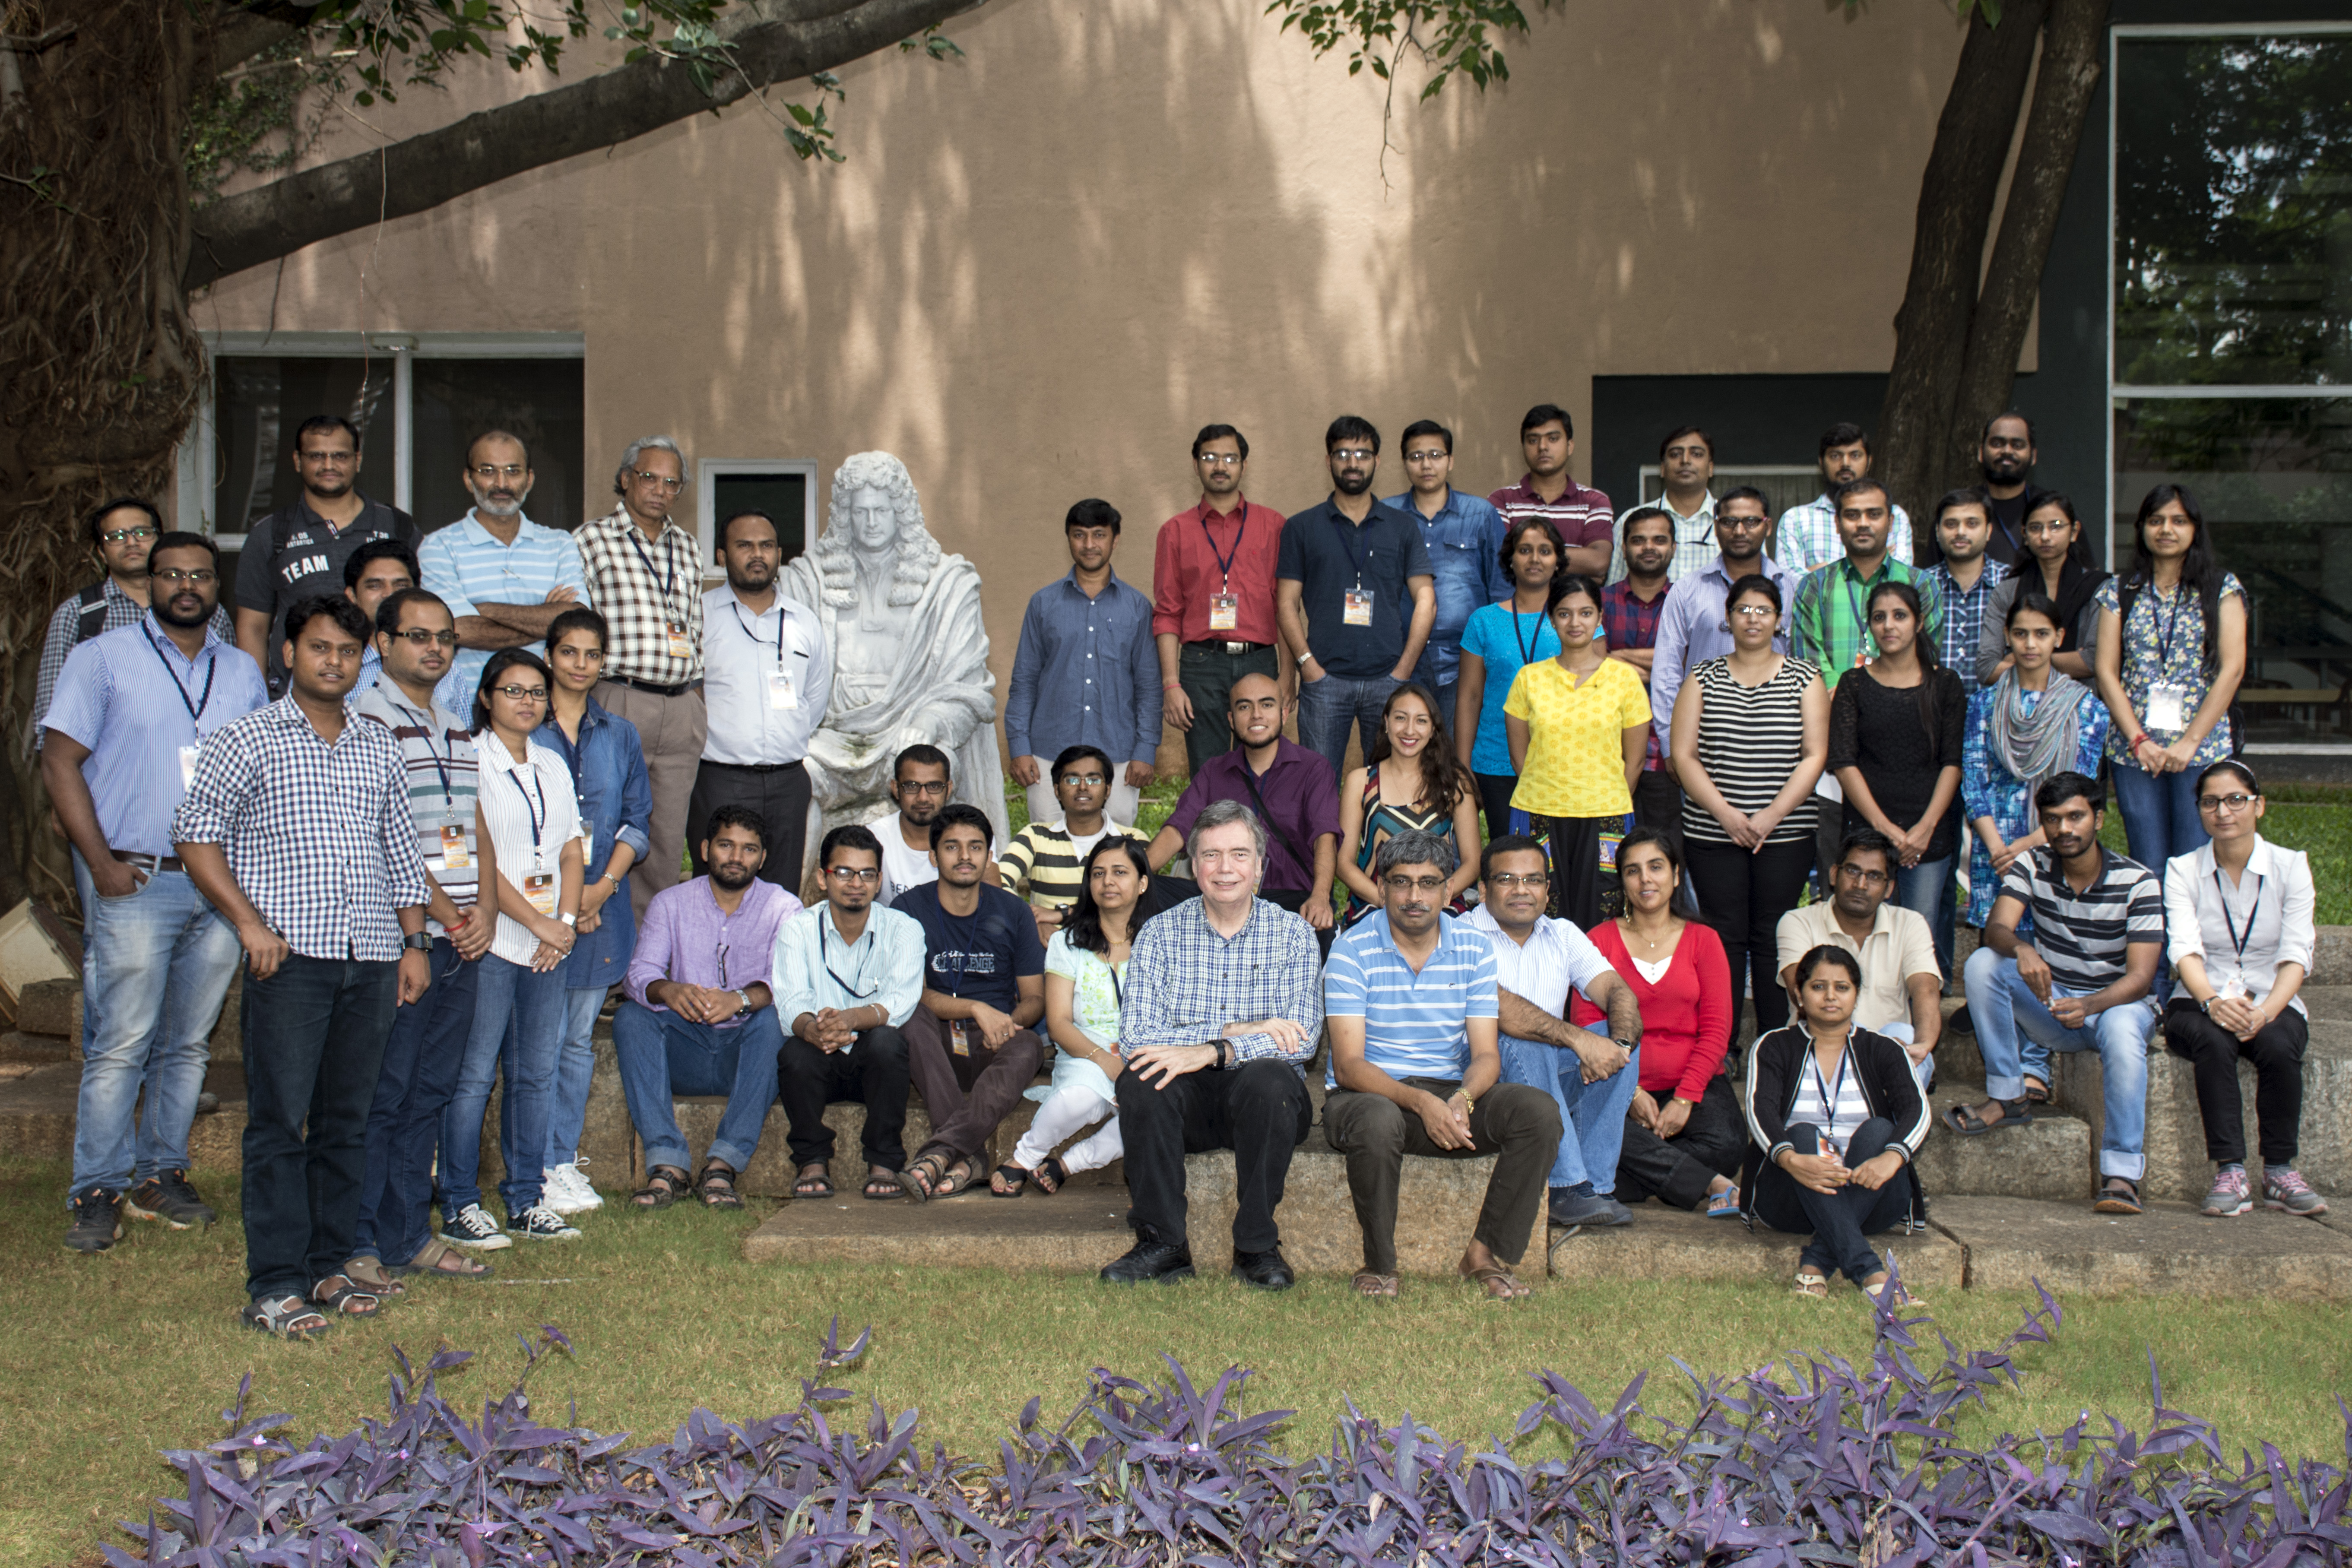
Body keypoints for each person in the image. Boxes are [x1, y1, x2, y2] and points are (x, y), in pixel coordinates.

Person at [171, 596, 433, 1339]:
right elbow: (195, 833)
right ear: (289, 654)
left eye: (348, 652)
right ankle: (275, 1284)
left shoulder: (378, 744)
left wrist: (414, 941)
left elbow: (400, 849)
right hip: (289, 959)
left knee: (346, 1123)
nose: (334, 662)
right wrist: (248, 923)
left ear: (363, 660)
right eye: (320, 648)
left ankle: (327, 1265)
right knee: (281, 1124)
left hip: (371, 957)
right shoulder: (247, 737)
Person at [43, 532, 266, 1252]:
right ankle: (97, 1188)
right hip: (137, 875)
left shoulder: (240, 669)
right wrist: (100, 862)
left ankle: (161, 1173)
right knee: (122, 1043)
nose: (187, 586)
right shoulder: (102, 657)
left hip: (221, 885)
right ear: (152, 581)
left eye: (201, 575)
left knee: (187, 1044)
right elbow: (60, 760)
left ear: (216, 586)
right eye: (173, 574)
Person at [1323, 830, 1561, 1300]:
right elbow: (1348, 1066)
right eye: (1402, 882)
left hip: (1448, 1092)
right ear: (1382, 888)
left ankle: (1483, 1254)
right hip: (1366, 1097)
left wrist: (1462, 1098)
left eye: (1428, 883)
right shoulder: (1351, 949)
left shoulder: (1473, 948)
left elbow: (1486, 1055)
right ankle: (1380, 1264)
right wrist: (1420, 1102)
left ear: (1449, 890)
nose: (1415, 896)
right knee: (1378, 1118)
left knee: (1538, 1112)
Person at [1102, 801, 1322, 1289]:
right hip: (1187, 1107)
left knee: (1271, 1078)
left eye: (1239, 854)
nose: (1225, 868)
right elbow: (1136, 1037)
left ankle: (1257, 1246)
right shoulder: (1159, 933)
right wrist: (1239, 1029)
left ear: (1260, 866)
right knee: (1141, 1078)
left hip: (1265, 1104)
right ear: (1192, 866)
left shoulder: (1294, 934)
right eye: (1211, 855)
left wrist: (1213, 1051)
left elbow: (1301, 1039)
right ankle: (1163, 1245)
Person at [349, 586, 498, 1285]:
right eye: (418, 635)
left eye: (444, 637)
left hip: (462, 936)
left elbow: (472, 823)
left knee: (431, 1090)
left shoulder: (454, 725)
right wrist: (449, 915)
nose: (434, 648)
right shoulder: (366, 720)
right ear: (383, 643)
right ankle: (359, 1239)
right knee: (384, 1093)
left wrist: (484, 909)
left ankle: (409, 1233)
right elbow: (387, 838)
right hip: (404, 938)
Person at [1946, 772, 2162, 1216]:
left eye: (2075, 816)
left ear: (2098, 819)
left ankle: (2122, 1174)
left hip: (2116, 1007)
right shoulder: (2033, 864)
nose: (2064, 828)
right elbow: (1998, 928)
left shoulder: (2138, 881)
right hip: (2056, 1006)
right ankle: (2009, 1095)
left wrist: (2090, 1005)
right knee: (1984, 963)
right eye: (2052, 819)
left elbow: (2141, 978)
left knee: (2123, 1028)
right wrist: (2022, 948)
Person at [780, 450, 1008, 852]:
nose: (871, 522)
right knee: (796, 774)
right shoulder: (809, 580)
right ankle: (799, 888)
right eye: (860, 511)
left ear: (901, 511)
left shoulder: (945, 583)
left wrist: (930, 719)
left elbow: (968, 686)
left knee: (927, 770)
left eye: (881, 510)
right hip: (831, 735)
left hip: (911, 731)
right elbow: (783, 671)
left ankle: (930, 884)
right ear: (844, 515)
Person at [436, 648, 586, 1248]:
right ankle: (459, 1202)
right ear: (485, 697)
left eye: (537, 691)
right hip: (494, 941)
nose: (527, 701)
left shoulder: (552, 762)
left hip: (550, 946)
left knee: (535, 1075)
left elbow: (571, 847)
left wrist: (564, 922)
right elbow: (478, 860)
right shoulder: (469, 760)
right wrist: (538, 923)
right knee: (474, 1076)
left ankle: (527, 1198)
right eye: (513, 690)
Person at [2162, 761, 2328, 1220]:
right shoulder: (2182, 870)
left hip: (2272, 996)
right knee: (2212, 1041)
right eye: (2210, 802)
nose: (2223, 812)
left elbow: (2296, 953)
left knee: (2278, 1043)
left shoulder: (2290, 866)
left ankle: (2279, 1171)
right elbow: (2184, 949)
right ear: (2199, 809)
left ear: (2259, 806)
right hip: (2198, 997)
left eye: (2236, 799)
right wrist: (2213, 1002)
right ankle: (2230, 1172)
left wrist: (2266, 1011)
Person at [613, 807, 799, 1210]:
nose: (737, 857)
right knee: (631, 1018)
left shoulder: (784, 907)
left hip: (747, 1056)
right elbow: (640, 973)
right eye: (726, 845)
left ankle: (722, 1165)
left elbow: (789, 981)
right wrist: (668, 990)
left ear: (763, 858)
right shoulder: (671, 902)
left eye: (749, 849)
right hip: (687, 1047)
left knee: (775, 1021)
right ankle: (668, 1165)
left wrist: (739, 999)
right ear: (704, 849)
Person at [1671, 574, 1827, 1037]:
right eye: (1743, 609)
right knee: (1724, 935)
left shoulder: (1805, 677)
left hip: (1786, 832)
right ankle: (1723, 1044)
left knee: (1773, 934)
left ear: (1779, 620)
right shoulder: (1702, 677)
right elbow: (1683, 755)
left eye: (1763, 610)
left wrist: (1769, 816)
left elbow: (1815, 754)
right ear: (1728, 618)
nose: (1752, 618)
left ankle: (1773, 1042)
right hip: (1712, 831)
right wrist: (1727, 815)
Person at [1468, 833, 1647, 1233]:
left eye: (1533, 879)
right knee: (1522, 1040)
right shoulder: (1459, 935)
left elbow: (1617, 991)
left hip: (1543, 1074)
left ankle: (1594, 1187)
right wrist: (1578, 1040)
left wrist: (1615, 1048)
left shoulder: (1563, 934)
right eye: (1507, 879)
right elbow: (1500, 1009)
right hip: (1477, 1081)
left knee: (1620, 1039)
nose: (1521, 889)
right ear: (1483, 889)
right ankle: (1564, 1186)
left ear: (1547, 890)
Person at [535, 607, 651, 1214]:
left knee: (577, 1041)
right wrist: (565, 900)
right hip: (533, 912)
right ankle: (531, 1164)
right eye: (569, 651)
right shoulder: (524, 727)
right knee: (537, 1040)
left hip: (599, 910)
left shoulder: (620, 734)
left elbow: (637, 821)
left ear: (604, 663)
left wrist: (599, 889)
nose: (580, 664)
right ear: (549, 656)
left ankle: (561, 1160)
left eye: (592, 654)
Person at [1740, 946, 1930, 1305]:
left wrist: (1891, 1158)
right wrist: (1791, 1160)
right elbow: (1759, 1110)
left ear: (1857, 994)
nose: (1830, 996)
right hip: (1792, 1195)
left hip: (1871, 1195)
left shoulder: (1885, 1049)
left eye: (1842, 987)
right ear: (1799, 993)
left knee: (1879, 1131)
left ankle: (1817, 1261)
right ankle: (1872, 1272)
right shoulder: (1774, 1045)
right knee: (1801, 1135)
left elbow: (1917, 1110)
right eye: (1818, 986)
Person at [1570, 830, 1743, 1217]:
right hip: (1616, 1082)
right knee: (1589, 1129)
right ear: (1623, 881)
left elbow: (1717, 1030)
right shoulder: (1599, 941)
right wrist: (1630, 1095)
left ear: (1676, 875)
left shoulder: (1704, 940)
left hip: (1692, 1084)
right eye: (1633, 870)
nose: (1645, 879)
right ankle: (1704, 1181)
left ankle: (1638, 1176)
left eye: (1656, 867)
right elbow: (1588, 1025)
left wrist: (1684, 1099)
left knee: (1728, 1144)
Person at [577, 435, 704, 921]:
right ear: (626, 478)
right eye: (649, 477)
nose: (660, 490)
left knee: (666, 838)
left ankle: (646, 950)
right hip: (618, 695)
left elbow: (694, 630)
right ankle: (595, 936)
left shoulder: (687, 547)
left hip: (681, 705)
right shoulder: (591, 539)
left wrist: (697, 704)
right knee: (604, 820)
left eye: (672, 483)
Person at [1795, 478, 1944, 888]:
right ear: (1838, 524)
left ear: (1891, 521)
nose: (1863, 523)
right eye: (1852, 515)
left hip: (1902, 742)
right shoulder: (1814, 586)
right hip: (1833, 738)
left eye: (1874, 514)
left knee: (1907, 874)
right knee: (1840, 864)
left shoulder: (1922, 585)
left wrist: (1876, 699)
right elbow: (1808, 660)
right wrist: (1846, 699)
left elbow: (1927, 657)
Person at [894, 805, 1048, 1201]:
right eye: (952, 847)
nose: (965, 856)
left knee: (1030, 1044)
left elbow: (1035, 998)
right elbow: (910, 993)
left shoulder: (1014, 911)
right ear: (933, 857)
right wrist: (975, 1008)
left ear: (989, 856)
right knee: (910, 1018)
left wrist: (1008, 1023)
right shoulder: (908, 910)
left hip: (995, 1042)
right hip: (935, 1044)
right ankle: (969, 1157)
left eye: (976, 847)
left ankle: (941, 1153)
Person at [2095, 484, 2247, 873]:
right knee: (2147, 860)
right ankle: (2151, 918)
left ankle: (2187, 921)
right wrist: (2139, 741)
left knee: (2194, 862)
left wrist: (2190, 742)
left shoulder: (2222, 588)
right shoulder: (2119, 590)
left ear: (2195, 528)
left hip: (2201, 747)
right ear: (2142, 528)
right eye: (2156, 520)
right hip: (2134, 750)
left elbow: (2232, 669)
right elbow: (2106, 672)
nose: (2166, 529)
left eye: (2179, 521)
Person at [1277, 415, 1437, 779]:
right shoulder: (1301, 527)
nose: (1353, 463)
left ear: (1377, 461)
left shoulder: (1402, 526)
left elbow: (1426, 600)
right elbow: (1286, 603)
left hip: (1388, 679)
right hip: (1323, 680)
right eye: (1343, 454)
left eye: (1363, 454)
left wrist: (1403, 671)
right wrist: (1307, 666)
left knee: (1389, 783)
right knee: (1318, 785)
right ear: (1328, 460)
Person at [775, 824, 923, 1201]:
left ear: (879, 881)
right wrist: (813, 1029)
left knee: (888, 1042)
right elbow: (791, 1001)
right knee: (794, 1052)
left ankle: (884, 1161)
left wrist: (852, 1019)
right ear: (822, 878)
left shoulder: (904, 929)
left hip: (872, 1064)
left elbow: (902, 999)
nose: (856, 883)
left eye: (867, 874)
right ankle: (812, 1161)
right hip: (819, 1056)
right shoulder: (797, 929)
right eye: (844, 872)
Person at [1826, 580, 1966, 975]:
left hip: (1928, 834)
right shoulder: (1854, 684)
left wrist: (1925, 828)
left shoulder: (1946, 684)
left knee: (1919, 937)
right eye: (1879, 617)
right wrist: (1884, 828)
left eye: (1900, 616)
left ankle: (1918, 1015)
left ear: (1919, 623)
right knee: (1864, 936)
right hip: (1867, 832)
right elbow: (1844, 762)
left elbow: (1952, 763)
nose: (1889, 625)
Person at [994, 836, 1147, 1197]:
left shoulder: (1161, 940)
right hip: (1085, 1052)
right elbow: (1059, 1023)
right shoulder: (1068, 943)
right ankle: (1026, 1156)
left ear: (1142, 883)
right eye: (1099, 873)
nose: (1108, 882)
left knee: (1155, 1116)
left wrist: (1133, 1063)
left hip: (1145, 1053)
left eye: (1120, 872)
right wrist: (1107, 1063)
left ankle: (1068, 1164)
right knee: (1079, 1098)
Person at [1502, 574, 1652, 927]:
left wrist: (1601, 796)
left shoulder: (1624, 679)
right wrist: (1551, 789)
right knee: (1540, 911)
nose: (1575, 622)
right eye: (1565, 613)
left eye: (1586, 613)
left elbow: (1635, 761)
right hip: (1540, 811)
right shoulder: (1529, 679)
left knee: (1604, 912)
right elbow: (1520, 759)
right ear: (1552, 619)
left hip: (1606, 813)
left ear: (1600, 617)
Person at [693, 508, 832, 889]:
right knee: (717, 889)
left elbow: (814, 700)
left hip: (789, 782)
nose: (758, 554)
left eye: (767, 546)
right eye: (745, 545)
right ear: (722, 555)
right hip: (721, 779)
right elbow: (691, 697)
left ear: (779, 554)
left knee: (780, 893)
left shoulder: (804, 621)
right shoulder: (700, 617)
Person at [31, 498, 233, 757]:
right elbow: (52, 709)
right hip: (108, 768)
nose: (131, 542)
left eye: (142, 532)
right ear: (101, 552)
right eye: (116, 536)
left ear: (159, 541)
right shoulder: (78, 615)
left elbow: (229, 689)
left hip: (199, 763)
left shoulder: (206, 611)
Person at [1960, 593, 2111, 941]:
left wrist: (2030, 843)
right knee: (1998, 948)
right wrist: (1999, 849)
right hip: (1995, 846)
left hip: (2058, 840)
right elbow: (1973, 782)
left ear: (2059, 637)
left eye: (2041, 634)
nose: (2030, 644)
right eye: (2021, 634)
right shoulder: (1984, 704)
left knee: (2058, 945)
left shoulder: (2087, 709)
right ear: (2007, 636)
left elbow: (2081, 791)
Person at [233, 415, 418, 697]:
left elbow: (424, 614)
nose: (329, 465)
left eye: (340, 456)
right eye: (317, 456)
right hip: (299, 696)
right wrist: (258, 700)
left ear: (358, 460)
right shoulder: (271, 533)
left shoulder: (397, 526)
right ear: (298, 461)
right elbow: (253, 627)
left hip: (390, 695)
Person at [1006, 498, 1160, 828]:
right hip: (1049, 753)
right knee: (1048, 842)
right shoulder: (1043, 604)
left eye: (1099, 534)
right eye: (1080, 535)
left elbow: (1148, 686)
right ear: (1069, 539)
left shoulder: (1137, 608)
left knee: (1115, 845)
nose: (1089, 544)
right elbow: (1025, 681)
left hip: (1118, 754)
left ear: (1115, 540)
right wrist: (1019, 747)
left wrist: (1145, 749)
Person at [1147, 673, 1341, 928]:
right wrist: (1136, 874)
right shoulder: (1214, 771)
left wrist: (1321, 896)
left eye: (1267, 705)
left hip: (1289, 898)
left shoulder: (1313, 769)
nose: (1256, 715)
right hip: (1222, 896)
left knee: (1319, 929)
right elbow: (1178, 829)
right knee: (1146, 891)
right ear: (1231, 719)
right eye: (1245, 707)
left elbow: (1325, 836)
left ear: (1283, 714)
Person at [417, 431, 590, 714]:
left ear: (529, 479)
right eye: (488, 471)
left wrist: (484, 610)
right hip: (470, 711)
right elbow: (459, 630)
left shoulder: (559, 543)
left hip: (548, 711)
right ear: (468, 479)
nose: (501, 483)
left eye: (513, 471)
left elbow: (578, 623)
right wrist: (549, 620)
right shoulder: (438, 546)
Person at [1153, 424, 1289, 776]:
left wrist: (1288, 674)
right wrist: (1171, 684)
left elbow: (1286, 607)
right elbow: (1167, 613)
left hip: (1260, 660)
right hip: (1202, 665)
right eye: (1210, 457)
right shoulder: (1175, 531)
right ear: (1196, 464)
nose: (1220, 466)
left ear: (1244, 466)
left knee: (1263, 768)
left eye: (1230, 458)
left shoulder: (1274, 525)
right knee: (1209, 772)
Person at [1648, 488, 1804, 779]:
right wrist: (1670, 744)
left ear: (1768, 526)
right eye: (1730, 522)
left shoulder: (1793, 589)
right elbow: (1667, 671)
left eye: (1751, 521)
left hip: (1779, 743)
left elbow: (1805, 669)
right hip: (1702, 745)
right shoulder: (1688, 590)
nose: (1740, 531)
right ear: (1716, 526)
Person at [1775, 831, 1943, 1089]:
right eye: (1853, 871)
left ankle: (1885, 1107)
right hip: (1822, 1049)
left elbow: (1926, 991)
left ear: (1889, 889)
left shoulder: (1910, 924)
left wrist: (1922, 1046)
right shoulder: (1798, 922)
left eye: (1874, 876)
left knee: (1905, 1035)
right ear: (1834, 874)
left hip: (1888, 1056)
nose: (1861, 884)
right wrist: (1861, 1050)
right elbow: (1803, 994)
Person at [1382, 419, 1506, 727]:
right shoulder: (1386, 516)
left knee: (1457, 751)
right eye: (1416, 456)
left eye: (1436, 455)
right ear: (1404, 463)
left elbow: (1502, 590)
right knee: (1405, 748)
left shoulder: (1481, 514)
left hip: (1465, 661)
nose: (1426, 465)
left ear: (1451, 461)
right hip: (1400, 660)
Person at [1335, 682, 1480, 926]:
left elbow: (1473, 863)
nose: (1410, 730)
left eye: (1421, 721)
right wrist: (1388, 903)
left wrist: (1434, 900)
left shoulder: (1454, 783)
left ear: (1433, 729)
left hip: (1440, 909)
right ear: (1387, 722)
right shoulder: (1361, 782)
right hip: (1375, 907)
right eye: (1401, 718)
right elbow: (1343, 863)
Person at [1456, 516, 1565, 834]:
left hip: (1563, 760)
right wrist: (1463, 765)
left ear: (1558, 561)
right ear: (1510, 560)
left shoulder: (1575, 618)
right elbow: (1470, 697)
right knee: (1508, 850)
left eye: (1545, 551)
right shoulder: (1483, 621)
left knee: (1560, 854)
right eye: (1525, 550)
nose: (1535, 559)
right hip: (1496, 760)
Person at [998, 744, 1140, 939]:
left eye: (1093, 780)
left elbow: (1140, 899)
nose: (1083, 787)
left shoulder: (1132, 840)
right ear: (1057, 790)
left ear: (1108, 790)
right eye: (1072, 780)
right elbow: (997, 882)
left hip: (1112, 946)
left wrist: (1063, 914)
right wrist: (1033, 923)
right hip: (1047, 945)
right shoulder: (1035, 837)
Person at [1975, 492, 2108, 686]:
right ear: (2025, 535)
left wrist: (2022, 659)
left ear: (2074, 532)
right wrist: (2069, 661)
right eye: (2036, 528)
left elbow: (2095, 661)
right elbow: (1986, 668)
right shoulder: (2007, 591)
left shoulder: (2099, 589)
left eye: (2056, 526)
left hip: (2080, 700)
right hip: (2017, 702)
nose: (2045, 536)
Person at [1602, 507, 1679, 832]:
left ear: (1673, 547)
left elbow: (1691, 665)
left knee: (1666, 851)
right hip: (1606, 754)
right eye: (1639, 540)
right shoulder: (1599, 603)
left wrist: (1618, 657)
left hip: (1669, 756)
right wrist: (1669, 667)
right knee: (1608, 853)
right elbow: (1590, 665)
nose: (1649, 547)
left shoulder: (1687, 603)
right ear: (1624, 547)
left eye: (1659, 540)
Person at [1487, 403, 1614, 580]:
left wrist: (1525, 554)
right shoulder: (1502, 500)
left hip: (1574, 599)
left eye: (1553, 439)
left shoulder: (1595, 501)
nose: (1542, 447)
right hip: (1519, 599)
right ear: (1523, 448)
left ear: (1570, 446)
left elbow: (1598, 563)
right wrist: (1576, 562)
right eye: (1533, 440)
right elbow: (1499, 561)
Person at [1773, 424, 1913, 576]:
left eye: (1855, 456)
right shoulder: (1796, 519)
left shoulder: (1893, 515)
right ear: (1821, 462)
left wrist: (1820, 572)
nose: (1845, 463)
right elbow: (1790, 581)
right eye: (1835, 456)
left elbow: (1901, 576)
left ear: (1869, 462)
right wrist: (1872, 565)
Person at [1921, 489, 2010, 683]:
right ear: (1938, 532)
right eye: (1951, 524)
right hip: (1932, 701)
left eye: (1972, 524)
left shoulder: (2010, 583)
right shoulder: (1922, 585)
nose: (1961, 532)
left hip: (1996, 701)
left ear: (1988, 531)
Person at [1612, 427, 1718, 584]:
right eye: (1675, 454)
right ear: (1662, 469)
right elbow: (1616, 588)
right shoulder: (1630, 520)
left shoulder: (1732, 521)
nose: (1685, 461)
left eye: (1696, 454)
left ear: (1711, 468)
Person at [875, 744, 955, 908]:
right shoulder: (875, 838)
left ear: (948, 789)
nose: (923, 798)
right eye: (912, 786)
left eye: (934, 786)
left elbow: (993, 901)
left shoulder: (971, 835)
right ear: (896, 789)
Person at [1974, 412, 2054, 570]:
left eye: (2017, 445)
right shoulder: (1959, 509)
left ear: (2033, 456)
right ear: (1981, 453)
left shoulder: (2052, 509)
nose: (2007, 451)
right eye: (1997, 444)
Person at [339, 539, 418, 697]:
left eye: (401, 585)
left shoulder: (441, 664)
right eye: (375, 586)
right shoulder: (332, 666)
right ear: (352, 596)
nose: (389, 594)